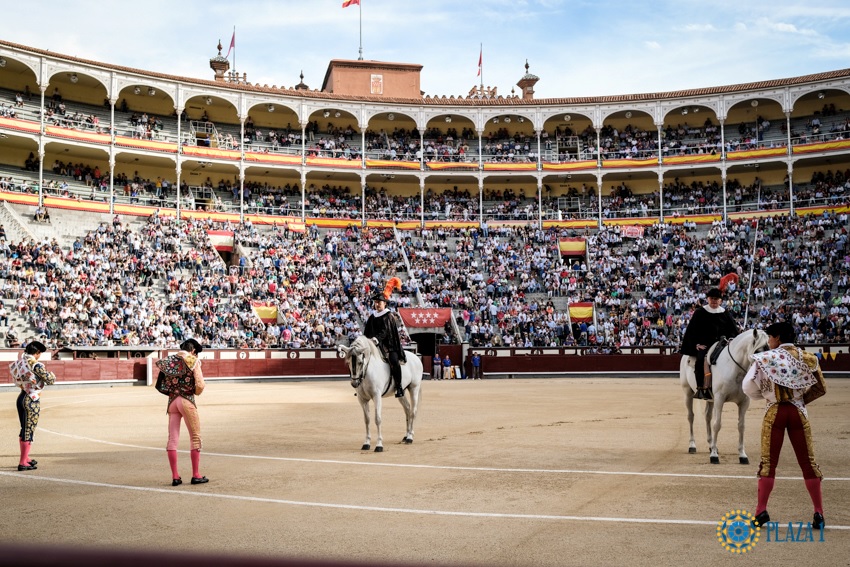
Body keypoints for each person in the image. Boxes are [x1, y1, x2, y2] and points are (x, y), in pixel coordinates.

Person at [743, 321, 826, 531]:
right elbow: (820, 388)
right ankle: (819, 513)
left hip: (775, 413)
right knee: (808, 463)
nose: (769, 341)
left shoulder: (765, 358)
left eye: (770, 337)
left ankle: (761, 511)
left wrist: (766, 396)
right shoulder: (807, 358)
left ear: (777, 338)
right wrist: (800, 401)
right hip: (798, 413)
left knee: (768, 463)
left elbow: (747, 387)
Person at [156, 338, 208, 486]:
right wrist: (195, 392)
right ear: (192, 351)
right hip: (187, 401)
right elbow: (200, 384)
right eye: (196, 353)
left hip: (172, 402)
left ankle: (175, 477)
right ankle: (196, 475)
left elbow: (162, 384)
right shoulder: (193, 360)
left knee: (172, 439)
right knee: (195, 437)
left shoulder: (168, 360)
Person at [680, 287, 739, 400]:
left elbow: (733, 330)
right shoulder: (700, 312)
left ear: (721, 300)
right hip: (705, 344)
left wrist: (731, 339)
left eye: (716, 299)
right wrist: (696, 344)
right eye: (712, 299)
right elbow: (692, 330)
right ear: (707, 299)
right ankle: (701, 388)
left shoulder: (725, 313)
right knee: (700, 360)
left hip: (722, 345)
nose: (714, 301)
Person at [9, 340, 55, 471]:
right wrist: (51, 374)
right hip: (31, 399)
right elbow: (50, 380)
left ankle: (26, 457)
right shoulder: (36, 365)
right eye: (39, 353)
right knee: (28, 430)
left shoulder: (20, 363)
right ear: (37, 353)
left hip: (22, 397)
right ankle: (23, 462)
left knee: (24, 428)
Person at [364, 291, 406, 398]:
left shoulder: (388, 315)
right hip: (375, 344)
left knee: (394, 360)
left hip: (389, 345)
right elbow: (367, 331)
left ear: (384, 303)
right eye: (376, 302)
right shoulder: (372, 317)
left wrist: (376, 339)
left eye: (379, 302)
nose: (377, 304)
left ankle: (399, 386)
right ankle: (362, 386)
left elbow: (386, 331)